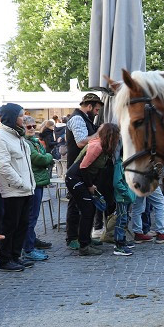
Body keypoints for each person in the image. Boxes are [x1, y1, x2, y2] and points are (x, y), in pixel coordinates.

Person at [0, 104, 36, 272]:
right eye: (20, 116)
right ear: (11, 117)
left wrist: (29, 184)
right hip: (13, 190)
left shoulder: (18, 135)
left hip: (26, 188)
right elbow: (3, 166)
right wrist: (20, 183)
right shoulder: (0, 136)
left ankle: (16, 256)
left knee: (23, 224)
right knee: (11, 225)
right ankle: (6, 259)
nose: (23, 119)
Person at [65, 122, 120, 256]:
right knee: (87, 210)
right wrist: (90, 186)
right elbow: (83, 167)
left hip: (81, 179)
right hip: (76, 178)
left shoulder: (104, 146)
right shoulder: (97, 146)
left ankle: (86, 240)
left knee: (89, 209)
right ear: (111, 136)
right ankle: (84, 246)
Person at [64, 93, 102, 248]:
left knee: (85, 206)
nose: (97, 113)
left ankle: (83, 236)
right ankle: (72, 237)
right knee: (75, 204)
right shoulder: (77, 118)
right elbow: (81, 142)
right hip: (76, 169)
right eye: (97, 109)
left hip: (83, 169)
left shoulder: (85, 118)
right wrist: (99, 133)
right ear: (89, 106)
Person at [21, 115, 54, 262]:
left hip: (38, 181)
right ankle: (28, 248)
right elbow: (39, 159)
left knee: (33, 216)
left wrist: (45, 156)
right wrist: (47, 157)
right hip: (33, 182)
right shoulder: (26, 143)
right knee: (31, 217)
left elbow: (42, 156)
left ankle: (30, 243)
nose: (32, 129)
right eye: (29, 127)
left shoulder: (34, 141)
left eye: (34, 126)